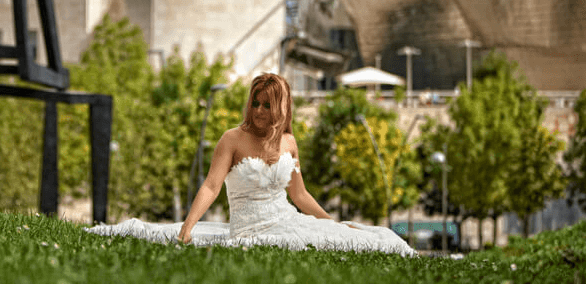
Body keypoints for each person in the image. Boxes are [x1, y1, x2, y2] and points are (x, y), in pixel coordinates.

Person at [85, 73, 415, 256]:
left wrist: (331, 223)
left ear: (282, 108)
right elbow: (212, 186)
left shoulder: (289, 142)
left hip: (287, 220)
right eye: (255, 103)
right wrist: (186, 229)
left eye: (267, 104)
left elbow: (299, 196)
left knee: (374, 239)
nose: (258, 110)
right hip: (249, 229)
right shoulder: (232, 139)